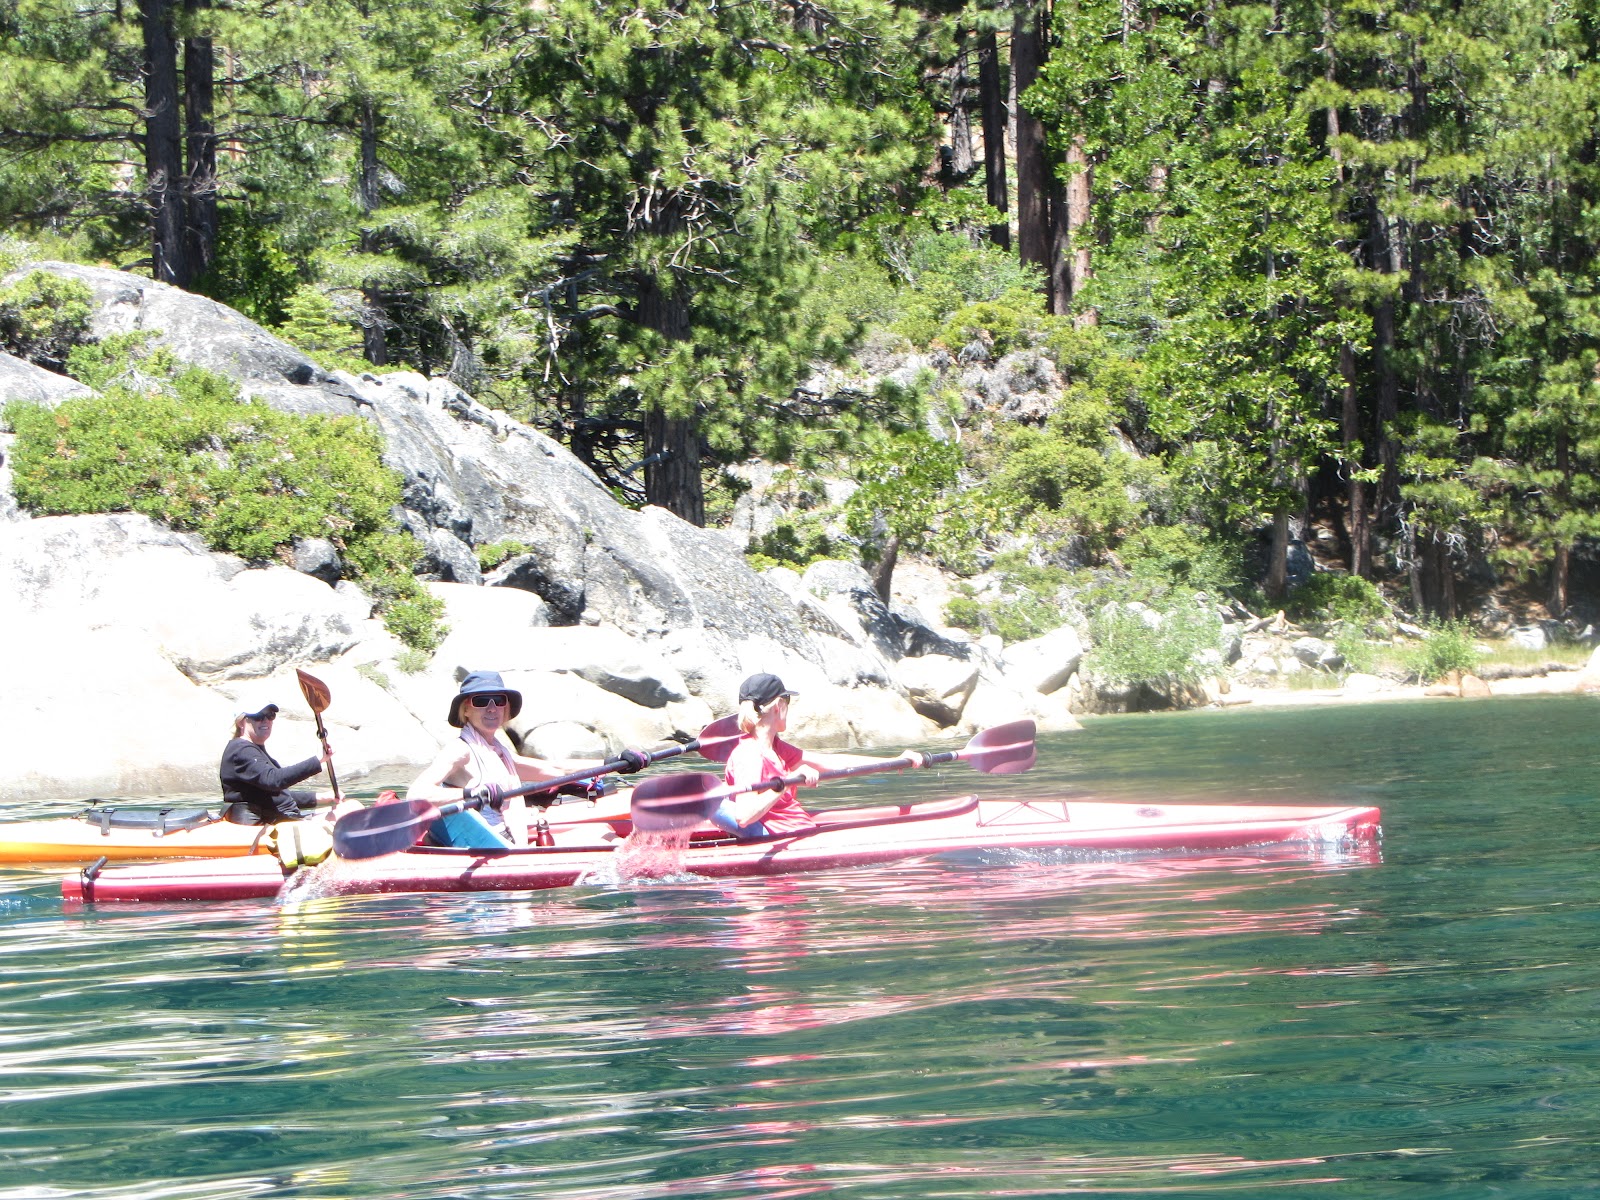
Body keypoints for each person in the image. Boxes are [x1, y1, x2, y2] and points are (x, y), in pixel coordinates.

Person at [406, 670, 648, 847]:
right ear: (466, 709)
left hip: (505, 842)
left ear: (505, 708)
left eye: (498, 701)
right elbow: (416, 794)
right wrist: (472, 794)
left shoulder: (498, 752)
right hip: (491, 847)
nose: (491, 708)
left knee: (602, 831)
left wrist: (614, 763)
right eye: (481, 702)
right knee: (602, 840)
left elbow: (554, 769)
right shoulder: (460, 750)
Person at [713, 673, 926, 838]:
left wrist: (894, 761)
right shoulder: (749, 755)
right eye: (788, 700)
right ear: (779, 706)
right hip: (783, 843)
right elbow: (743, 815)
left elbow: (833, 762)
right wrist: (785, 783)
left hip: (798, 833)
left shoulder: (776, 748)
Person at [220, 699, 338, 825]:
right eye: (258, 716)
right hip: (268, 825)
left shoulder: (253, 750)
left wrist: (320, 797)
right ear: (241, 722)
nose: (265, 720)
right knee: (347, 812)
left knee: (349, 807)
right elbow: (274, 780)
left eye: (270, 716)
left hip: (280, 819)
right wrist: (317, 760)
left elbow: (278, 795)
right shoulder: (241, 750)